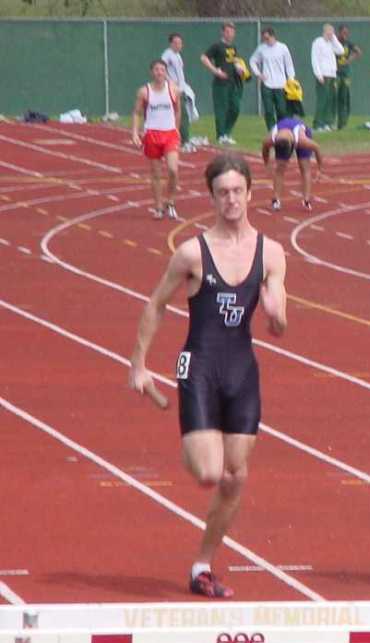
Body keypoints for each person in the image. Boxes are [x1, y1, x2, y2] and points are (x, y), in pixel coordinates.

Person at [128, 153, 287, 598]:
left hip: (241, 370)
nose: (231, 200)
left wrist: (275, 315)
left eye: (238, 191)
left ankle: (202, 564)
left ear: (251, 193)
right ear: (212, 197)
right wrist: (139, 363)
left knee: (235, 477)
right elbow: (156, 303)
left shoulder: (271, 253)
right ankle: (193, 444)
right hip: (198, 366)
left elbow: (280, 324)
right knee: (208, 473)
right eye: (223, 193)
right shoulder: (191, 253)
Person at [131, 59, 181, 220]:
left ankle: (171, 201)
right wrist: (134, 132)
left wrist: (177, 129)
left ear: (166, 72)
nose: (160, 72)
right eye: (157, 70)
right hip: (152, 134)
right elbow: (137, 112)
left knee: (173, 169)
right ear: (152, 72)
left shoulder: (173, 89)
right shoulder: (144, 91)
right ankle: (159, 206)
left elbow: (178, 111)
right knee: (156, 174)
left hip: (170, 134)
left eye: (162, 69)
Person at [262, 117, 323, 213]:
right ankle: (276, 200)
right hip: (284, 135)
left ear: (292, 145)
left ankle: (306, 200)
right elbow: (265, 149)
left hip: (299, 132)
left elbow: (317, 148)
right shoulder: (271, 139)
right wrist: (267, 164)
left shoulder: (303, 140)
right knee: (280, 167)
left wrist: (320, 168)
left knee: (304, 166)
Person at [201, 22, 246, 145]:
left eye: (232, 31)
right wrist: (215, 71)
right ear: (223, 32)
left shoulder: (233, 47)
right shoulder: (217, 46)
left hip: (233, 82)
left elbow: (235, 61)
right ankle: (221, 135)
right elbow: (204, 58)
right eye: (227, 31)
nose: (230, 34)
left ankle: (226, 132)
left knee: (235, 108)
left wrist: (239, 69)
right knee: (221, 109)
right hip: (221, 83)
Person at [250, 27, 296, 130]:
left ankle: (282, 128)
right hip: (267, 84)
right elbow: (253, 60)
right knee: (269, 110)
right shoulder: (261, 48)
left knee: (281, 110)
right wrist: (258, 74)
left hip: (281, 84)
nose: (266, 41)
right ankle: (272, 130)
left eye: (268, 38)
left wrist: (291, 79)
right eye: (264, 39)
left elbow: (289, 64)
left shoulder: (283, 48)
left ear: (273, 36)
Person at [162, 32, 194, 153]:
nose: (178, 45)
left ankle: (174, 140)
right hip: (173, 90)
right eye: (175, 43)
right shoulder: (167, 55)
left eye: (180, 43)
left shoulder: (177, 55)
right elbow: (162, 68)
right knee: (182, 114)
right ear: (171, 43)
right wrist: (171, 83)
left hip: (181, 88)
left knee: (180, 114)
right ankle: (184, 141)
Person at [310, 23, 344, 131]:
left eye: (332, 33)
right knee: (322, 100)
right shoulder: (317, 42)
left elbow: (341, 51)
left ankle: (327, 123)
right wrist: (318, 74)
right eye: (329, 33)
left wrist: (334, 39)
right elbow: (314, 59)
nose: (331, 35)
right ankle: (318, 124)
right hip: (323, 75)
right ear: (324, 32)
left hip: (332, 74)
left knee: (330, 100)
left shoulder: (332, 43)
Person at [335, 24, 362, 130]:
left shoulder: (348, 44)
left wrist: (349, 60)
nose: (345, 35)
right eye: (343, 33)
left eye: (347, 33)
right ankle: (332, 122)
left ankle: (343, 122)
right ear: (339, 32)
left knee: (345, 97)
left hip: (345, 73)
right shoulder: (334, 43)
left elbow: (359, 52)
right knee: (334, 97)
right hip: (335, 73)